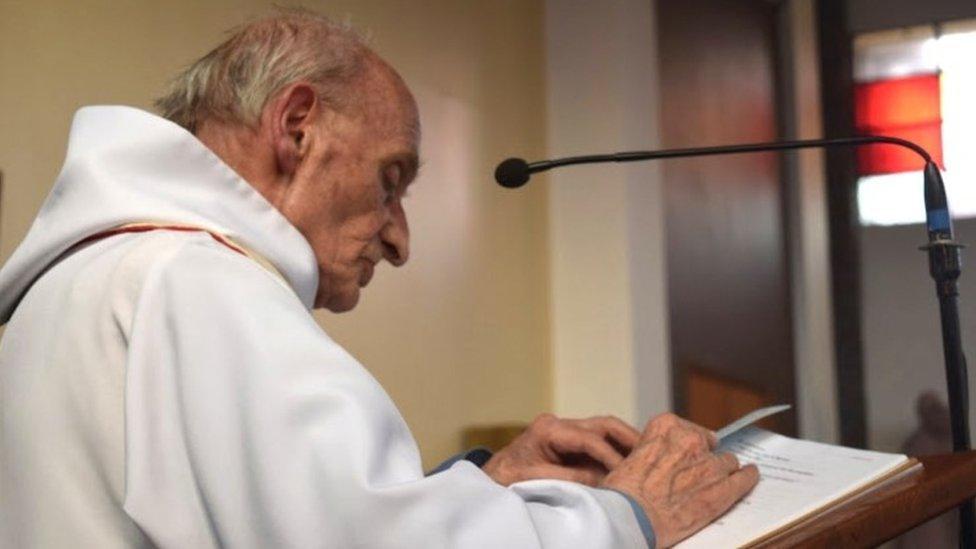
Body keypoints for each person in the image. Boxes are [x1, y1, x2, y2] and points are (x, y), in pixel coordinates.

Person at [0, 9, 757, 548]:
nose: (399, 239)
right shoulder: (196, 280)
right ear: (297, 126)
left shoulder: (91, 275)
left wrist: (480, 483)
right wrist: (628, 516)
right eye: (390, 180)